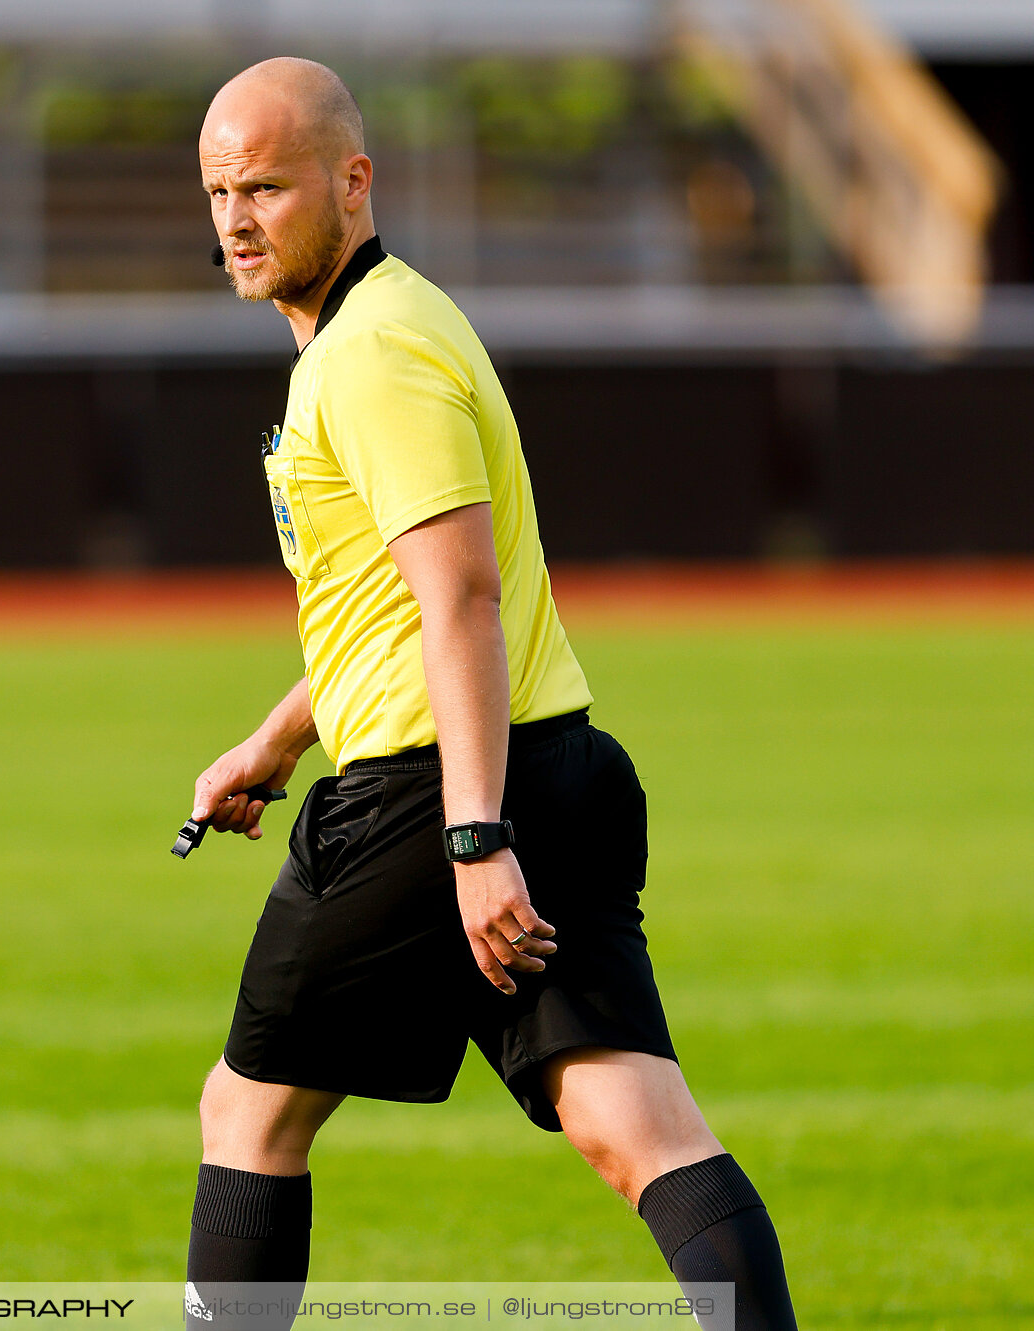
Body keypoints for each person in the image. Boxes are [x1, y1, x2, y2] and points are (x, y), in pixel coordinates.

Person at [183, 59, 797, 1331]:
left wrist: (473, 836)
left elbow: (460, 596)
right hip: (550, 765)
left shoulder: (369, 355)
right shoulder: (400, 323)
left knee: (248, 1111)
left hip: (436, 800)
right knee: (630, 1117)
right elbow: (393, 607)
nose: (237, 218)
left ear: (353, 182)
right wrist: (276, 735)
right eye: (219, 191)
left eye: (266, 187)